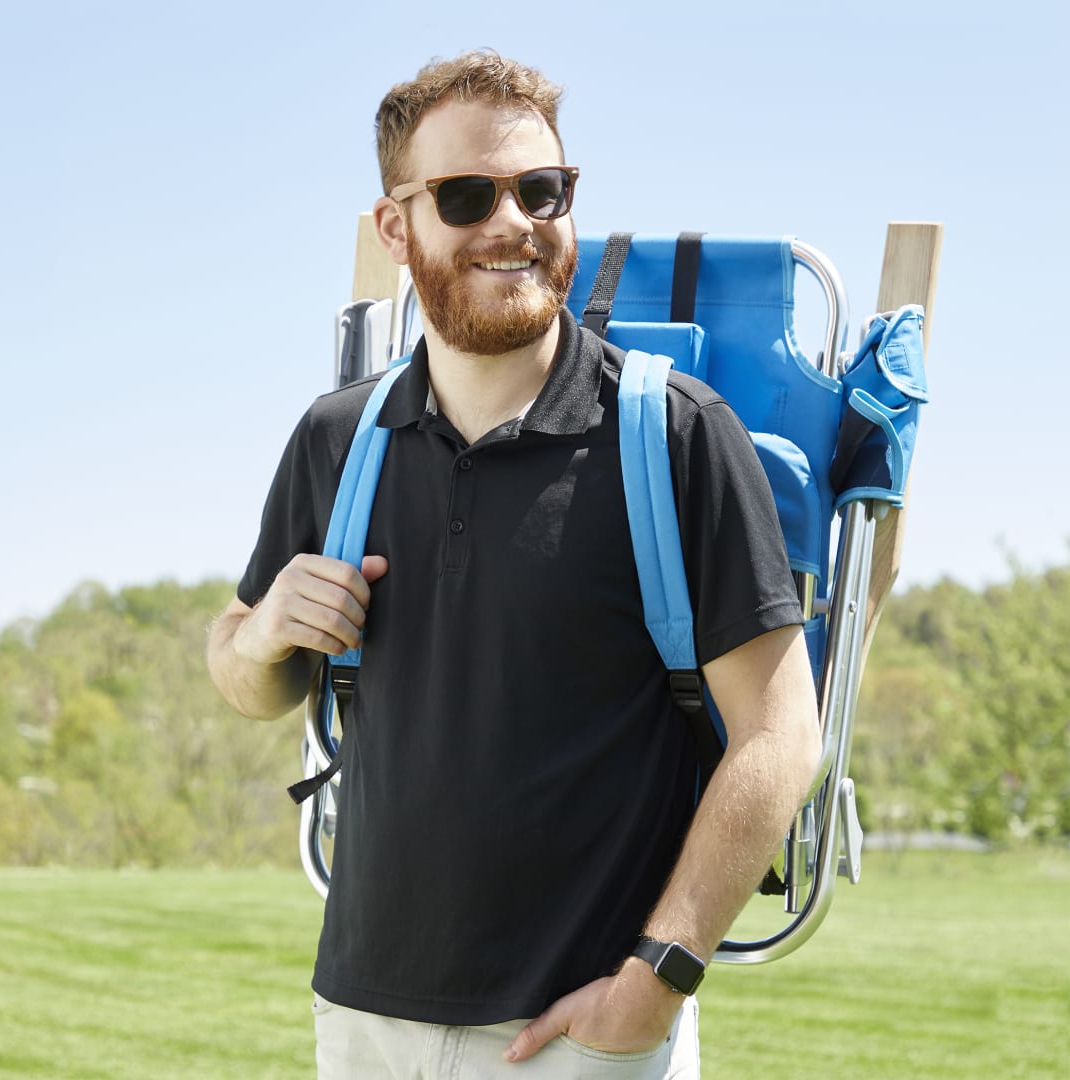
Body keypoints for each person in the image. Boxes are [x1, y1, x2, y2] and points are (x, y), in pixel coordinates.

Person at [207, 50, 821, 1079]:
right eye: (466, 194)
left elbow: (779, 734)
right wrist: (266, 629)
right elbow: (244, 675)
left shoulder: (676, 438)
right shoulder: (337, 438)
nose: (515, 222)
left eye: (544, 190)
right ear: (396, 226)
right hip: (359, 1016)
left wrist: (657, 977)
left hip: (586, 1031)